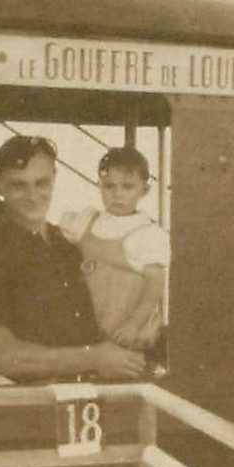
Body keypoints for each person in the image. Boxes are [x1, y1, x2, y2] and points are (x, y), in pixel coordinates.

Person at [0, 135, 148, 383]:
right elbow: (4, 357)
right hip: (32, 403)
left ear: (54, 178)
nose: (32, 196)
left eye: (41, 183)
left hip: (88, 393)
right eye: (18, 185)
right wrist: (94, 358)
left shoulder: (68, 246)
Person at [59, 147, 169, 353]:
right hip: (89, 333)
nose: (117, 194)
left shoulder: (147, 234)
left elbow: (155, 287)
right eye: (110, 186)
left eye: (128, 187)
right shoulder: (86, 221)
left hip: (127, 336)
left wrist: (133, 325)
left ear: (144, 190)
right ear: (99, 185)